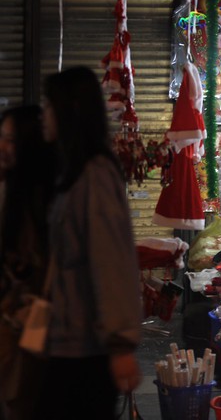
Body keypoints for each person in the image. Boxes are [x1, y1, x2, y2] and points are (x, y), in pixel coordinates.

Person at [32, 66, 143, 420]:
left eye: (49, 105)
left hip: (87, 351)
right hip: (63, 341)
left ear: (70, 111)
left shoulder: (95, 174)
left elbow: (111, 262)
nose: (44, 115)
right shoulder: (71, 172)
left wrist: (120, 345)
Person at [0, 105, 54, 420]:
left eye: (11, 140)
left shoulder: (39, 202)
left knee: (22, 399)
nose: (3, 147)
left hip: (24, 325)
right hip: (16, 324)